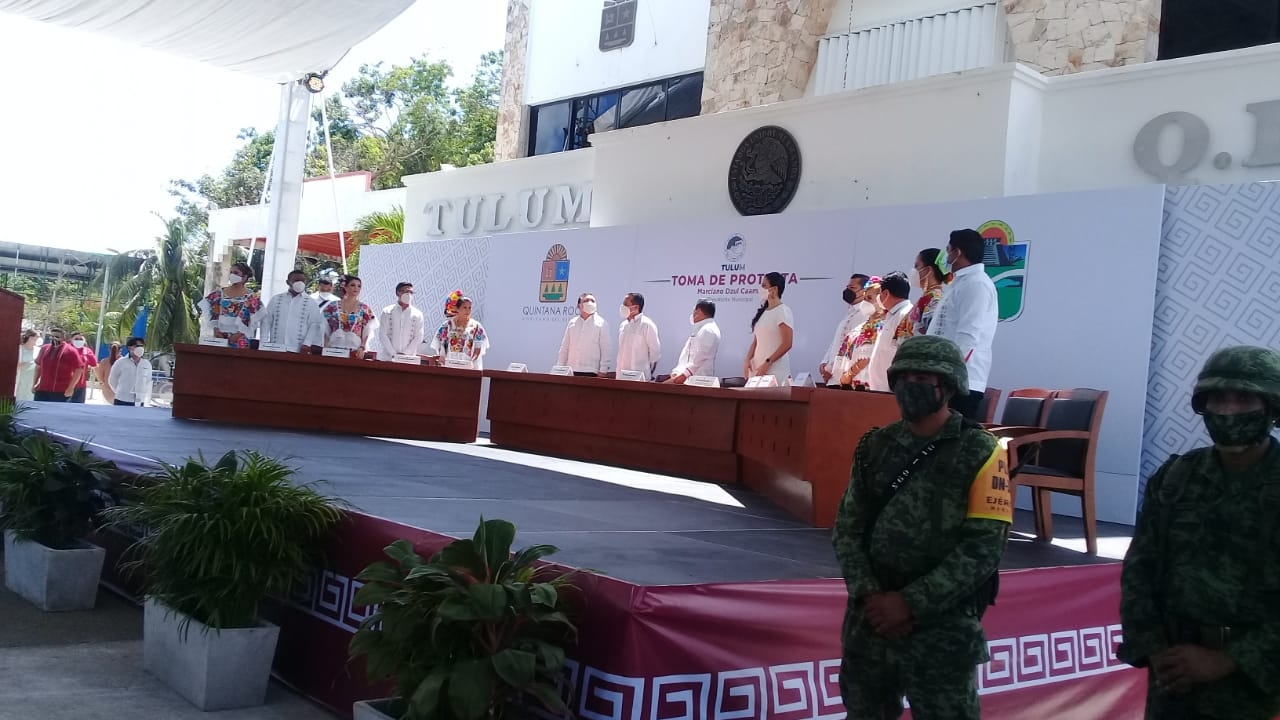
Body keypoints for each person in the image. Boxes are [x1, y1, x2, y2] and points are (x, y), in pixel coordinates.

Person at [833, 335, 1011, 720]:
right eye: (904, 376)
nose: (910, 385)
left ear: (947, 387)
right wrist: (871, 596)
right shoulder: (874, 447)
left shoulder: (982, 452)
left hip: (942, 628)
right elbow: (847, 530)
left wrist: (909, 603)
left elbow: (983, 549)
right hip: (871, 623)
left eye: (923, 377)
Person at [1119, 345, 1280, 720]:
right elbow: (1139, 570)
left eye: (1243, 399)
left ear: (1272, 407)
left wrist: (1227, 660)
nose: (1228, 410)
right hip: (1171, 679)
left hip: (1252, 685)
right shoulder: (1177, 479)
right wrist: (1156, 649)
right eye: (1218, 399)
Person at [927, 229, 998, 419]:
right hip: (943, 379)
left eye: (948, 249)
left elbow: (968, 336)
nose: (946, 255)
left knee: (952, 442)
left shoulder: (976, 284)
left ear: (957, 252)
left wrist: (947, 375)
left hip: (958, 381)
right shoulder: (960, 283)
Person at [257, 269, 326, 353]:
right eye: (296, 280)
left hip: (298, 349)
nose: (300, 283)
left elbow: (314, 325)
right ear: (288, 282)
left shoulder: (311, 303)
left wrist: (307, 344)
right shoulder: (276, 299)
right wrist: (263, 342)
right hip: (275, 347)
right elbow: (266, 321)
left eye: (303, 281)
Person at [821, 274, 873, 387]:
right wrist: (825, 363)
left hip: (845, 377)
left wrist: (833, 369)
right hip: (834, 375)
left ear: (864, 291)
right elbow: (837, 341)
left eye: (852, 288)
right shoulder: (850, 312)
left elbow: (852, 347)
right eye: (847, 287)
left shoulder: (865, 314)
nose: (848, 291)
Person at [866, 272, 914, 392]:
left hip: (890, 391)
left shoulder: (906, 315)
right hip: (879, 389)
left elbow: (904, 355)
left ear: (886, 293)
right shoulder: (893, 315)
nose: (878, 298)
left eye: (880, 293)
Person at [198, 261, 263, 349]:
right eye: (231, 272)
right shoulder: (219, 294)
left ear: (244, 277)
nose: (232, 275)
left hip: (240, 339)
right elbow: (212, 313)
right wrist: (216, 330)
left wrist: (239, 334)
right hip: (220, 337)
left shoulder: (252, 297)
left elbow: (254, 320)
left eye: (236, 273)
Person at [744, 272, 795, 384]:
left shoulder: (783, 311)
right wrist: (747, 360)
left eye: (764, 286)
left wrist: (768, 362)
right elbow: (756, 341)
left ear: (774, 289)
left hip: (775, 372)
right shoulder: (763, 313)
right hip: (757, 370)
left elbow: (787, 343)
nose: (761, 289)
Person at [838, 280, 884, 389]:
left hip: (866, 385)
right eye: (864, 298)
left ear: (882, 300)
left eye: (869, 298)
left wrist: (849, 374)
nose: (864, 302)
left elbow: (867, 356)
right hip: (850, 384)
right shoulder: (862, 326)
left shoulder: (880, 326)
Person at [663, 299, 721, 384]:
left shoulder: (708, 330)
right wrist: (677, 371)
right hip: (687, 378)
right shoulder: (700, 329)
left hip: (698, 380)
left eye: (694, 310)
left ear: (698, 311)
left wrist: (684, 375)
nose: (693, 314)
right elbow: (686, 354)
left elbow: (701, 357)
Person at [557, 292, 612, 376]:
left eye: (593, 301)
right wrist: (559, 368)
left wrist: (603, 371)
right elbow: (565, 348)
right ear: (579, 305)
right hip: (571, 370)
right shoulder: (572, 323)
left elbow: (606, 350)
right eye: (586, 300)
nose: (590, 303)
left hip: (591, 371)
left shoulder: (602, 323)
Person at [322, 275, 377, 359]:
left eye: (359, 286)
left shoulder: (364, 308)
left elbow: (367, 331)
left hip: (354, 349)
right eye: (352, 285)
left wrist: (362, 347)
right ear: (345, 287)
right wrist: (325, 346)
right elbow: (325, 329)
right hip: (334, 348)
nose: (356, 288)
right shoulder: (332, 306)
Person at [430, 295, 489, 370]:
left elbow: (478, 348)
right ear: (457, 308)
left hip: (468, 366)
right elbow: (439, 343)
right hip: (449, 364)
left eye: (469, 308)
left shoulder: (476, 327)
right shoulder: (447, 325)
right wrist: (443, 359)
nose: (467, 311)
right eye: (464, 307)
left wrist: (471, 362)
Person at [32, 327, 84, 403]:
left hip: (61, 391)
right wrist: (35, 383)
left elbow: (79, 370)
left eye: (57, 337)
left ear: (63, 338)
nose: (53, 339)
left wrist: (71, 388)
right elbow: (38, 366)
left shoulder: (71, 351)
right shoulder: (44, 349)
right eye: (51, 336)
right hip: (42, 389)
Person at [616, 292, 661, 379]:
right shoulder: (623, 325)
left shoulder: (647, 325)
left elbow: (655, 354)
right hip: (621, 376)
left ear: (636, 307)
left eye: (626, 304)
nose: (622, 307)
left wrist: (647, 372)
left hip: (639, 378)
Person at [378, 281, 425, 361]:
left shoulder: (418, 314)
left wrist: (405, 354)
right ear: (398, 293)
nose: (408, 295)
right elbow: (382, 334)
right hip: (388, 358)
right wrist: (393, 354)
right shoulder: (387, 311)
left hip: (409, 359)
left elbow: (419, 336)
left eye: (411, 292)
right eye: (406, 291)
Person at [906, 248, 947, 337]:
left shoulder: (935, 299)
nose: (914, 270)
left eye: (916, 266)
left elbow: (931, 335)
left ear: (928, 270)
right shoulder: (928, 296)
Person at [108, 337, 152, 407]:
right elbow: (112, 380)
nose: (140, 348)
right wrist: (121, 392)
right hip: (122, 400)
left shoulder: (146, 364)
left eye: (142, 346)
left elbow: (148, 381)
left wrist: (142, 394)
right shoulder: (121, 362)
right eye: (137, 346)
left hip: (139, 401)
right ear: (129, 348)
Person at [67, 331, 98, 403]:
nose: (78, 341)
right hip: (66, 384)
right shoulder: (66, 349)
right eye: (76, 339)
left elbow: (95, 365)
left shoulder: (87, 351)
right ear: (71, 339)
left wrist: (101, 381)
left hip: (80, 387)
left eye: (81, 339)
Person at [16, 329, 39, 402]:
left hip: (32, 380)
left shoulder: (38, 350)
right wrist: (28, 363)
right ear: (29, 337)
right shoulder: (19, 349)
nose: (37, 339)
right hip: (20, 378)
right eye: (36, 337)